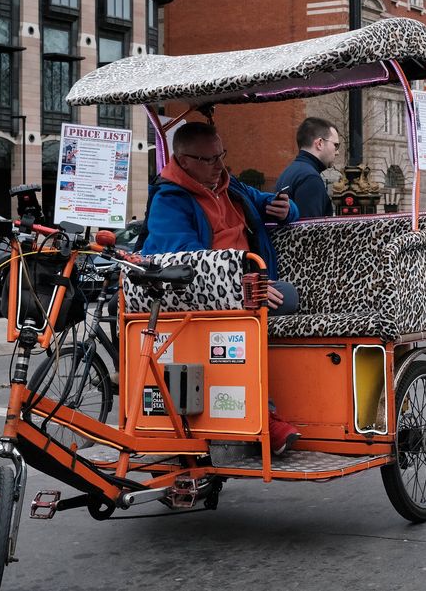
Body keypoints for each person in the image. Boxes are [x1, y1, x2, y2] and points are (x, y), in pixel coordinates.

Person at [139, 121, 301, 453]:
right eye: (209, 159)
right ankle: (263, 418)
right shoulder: (169, 201)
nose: (219, 166)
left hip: (248, 282)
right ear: (182, 160)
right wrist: (242, 283)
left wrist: (285, 209)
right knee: (277, 302)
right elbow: (188, 260)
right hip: (207, 294)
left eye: (221, 156)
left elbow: (272, 202)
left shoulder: (231, 186)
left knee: (290, 297)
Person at [275, 117, 338, 218]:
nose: (337, 152)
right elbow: (310, 231)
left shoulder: (289, 172)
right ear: (320, 143)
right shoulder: (310, 178)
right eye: (336, 145)